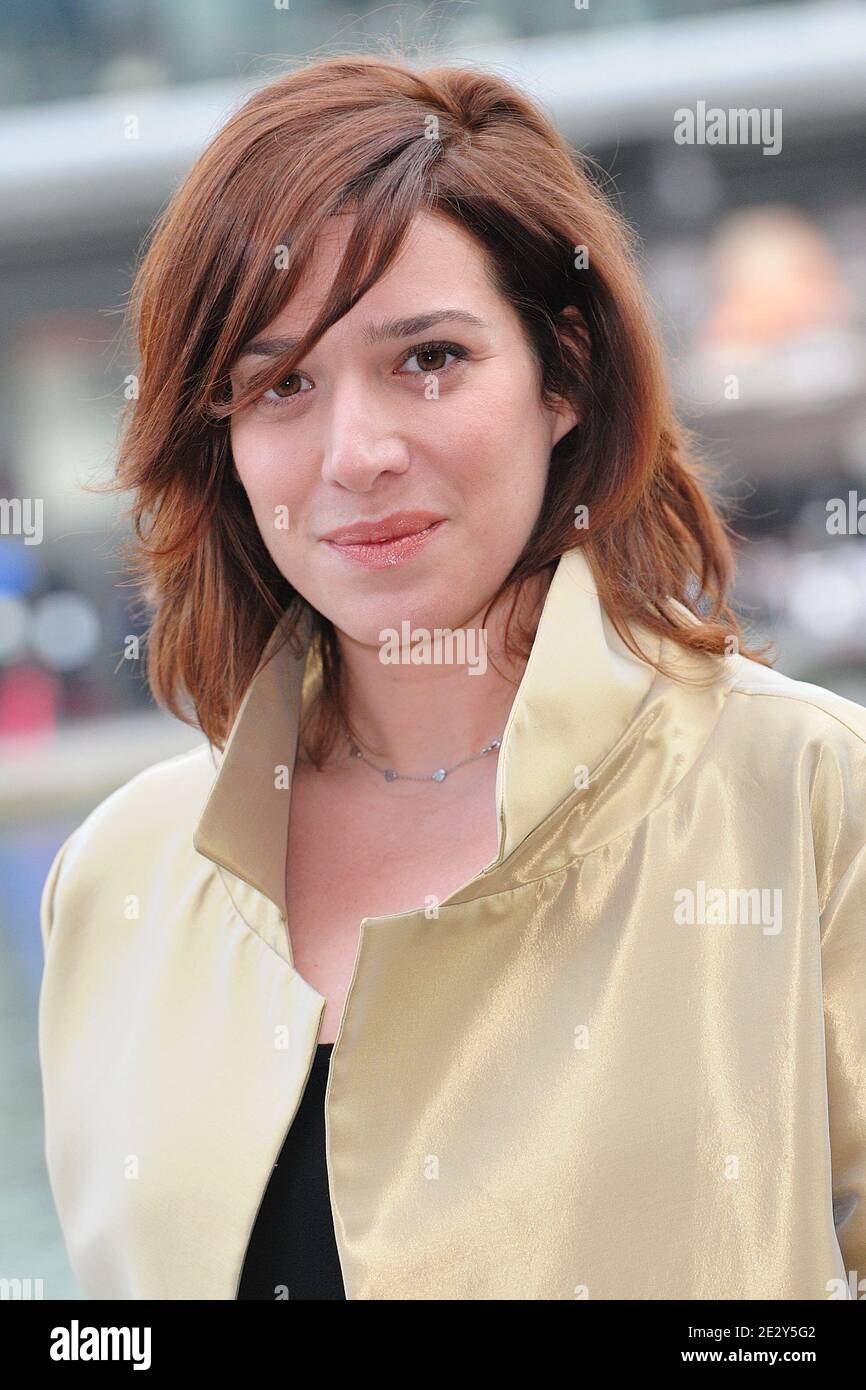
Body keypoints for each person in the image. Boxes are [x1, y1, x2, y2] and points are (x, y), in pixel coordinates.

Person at [38, 53, 866, 1301]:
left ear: (565, 373)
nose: (355, 452)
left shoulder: (809, 801)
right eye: (278, 382)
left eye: (426, 358)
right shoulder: (116, 880)